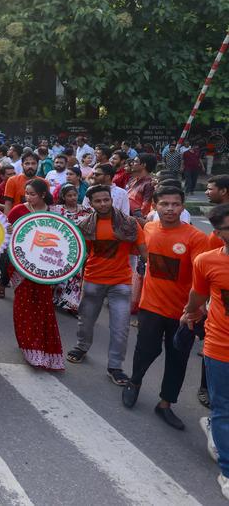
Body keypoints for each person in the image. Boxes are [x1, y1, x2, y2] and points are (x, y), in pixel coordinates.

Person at [121, 187, 210, 429]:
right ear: (155, 206)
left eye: (175, 204)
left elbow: (203, 278)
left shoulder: (196, 238)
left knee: (177, 359)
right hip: (150, 307)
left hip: (184, 313)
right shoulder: (148, 229)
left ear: (183, 207)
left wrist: (195, 309)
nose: (170, 209)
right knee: (145, 351)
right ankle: (135, 382)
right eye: (164, 204)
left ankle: (165, 404)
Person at [66, 184, 146, 386]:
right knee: (86, 320)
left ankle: (115, 367)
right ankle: (82, 347)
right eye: (98, 201)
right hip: (93, 280)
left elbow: (145, 253)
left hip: (121, 283)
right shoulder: (84, 226)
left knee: (120, 328)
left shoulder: (129, 224)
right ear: (90, 203)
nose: (103, 204)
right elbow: (79, 255)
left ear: (111, 199)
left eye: (106, 199)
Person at [181, 204, 229, 499]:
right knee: (224, 407)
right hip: (220, 347)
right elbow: (197, 296)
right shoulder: (206, 261)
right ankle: (227, 471)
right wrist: (189, 313)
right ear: (220, 233)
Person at [6, 178, 65, 371]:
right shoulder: (18, 211)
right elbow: (8, 238)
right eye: (27, 194)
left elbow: (63, 239)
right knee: (24, 305)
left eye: (33, 194)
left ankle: (45, 347)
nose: (28, 197)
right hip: (21, 267)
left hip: (45, 268)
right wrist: (9, 231)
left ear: (42, 194)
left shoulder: (55, 213)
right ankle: (28, 345)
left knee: (43, 306)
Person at [50, 183, 91, 314]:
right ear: (63, 196)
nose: (73, 198)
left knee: (75, 276)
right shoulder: (56, 210)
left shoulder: (86, 210)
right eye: (69, 195)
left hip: (78, 248)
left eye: (75, 195)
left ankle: (72, 304)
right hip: (58, 247)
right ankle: (53, 299)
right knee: (57, 272)